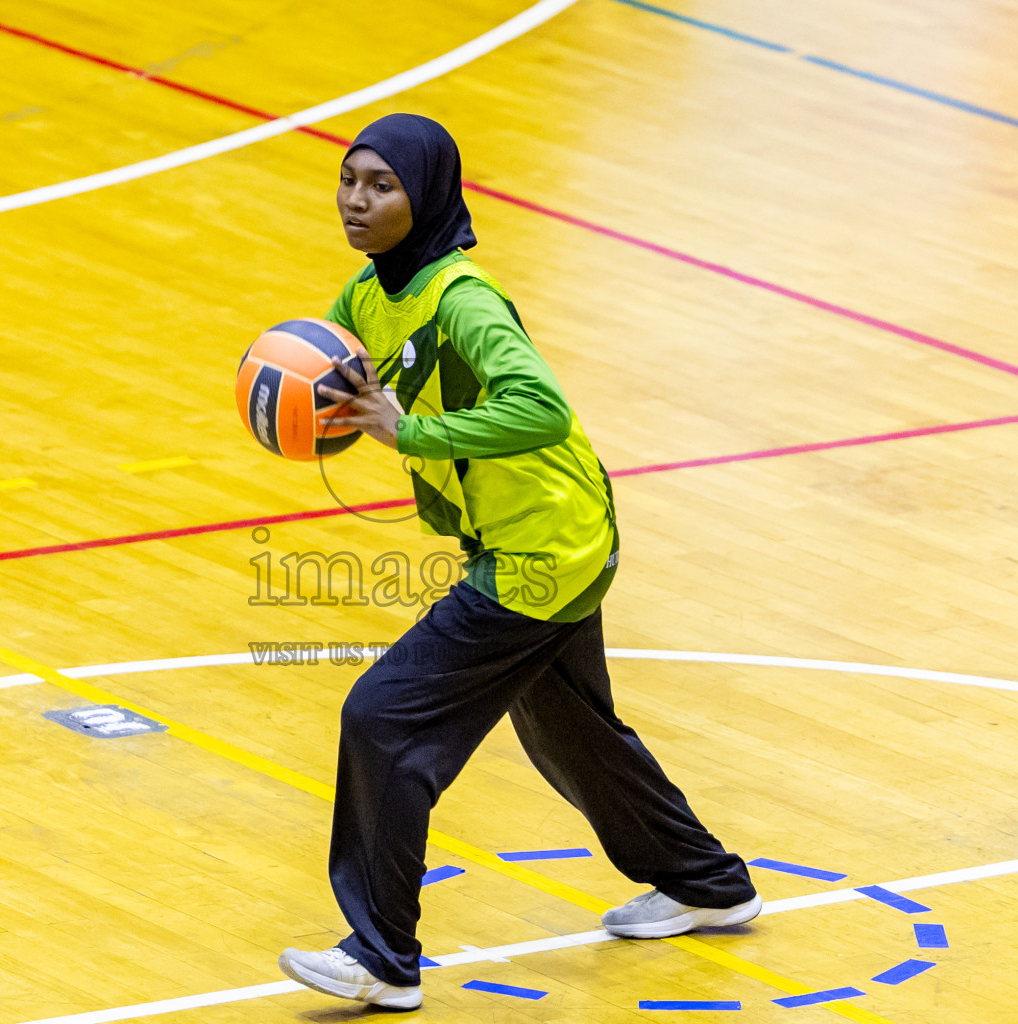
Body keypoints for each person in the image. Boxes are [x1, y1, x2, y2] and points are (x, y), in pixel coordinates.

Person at [276, 113, 759, 1012]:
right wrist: (310, 406)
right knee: (569, 730)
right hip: (538, 536)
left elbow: (537, 407)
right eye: (349, 180)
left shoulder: (464, 299)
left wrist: (407, 429)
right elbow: (346, 377)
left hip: (544, 548)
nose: (356, 199)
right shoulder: (367, 296)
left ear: (426, 196)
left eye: (381, 185)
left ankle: (383, 955)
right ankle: (706, 881)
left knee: (384, 718)